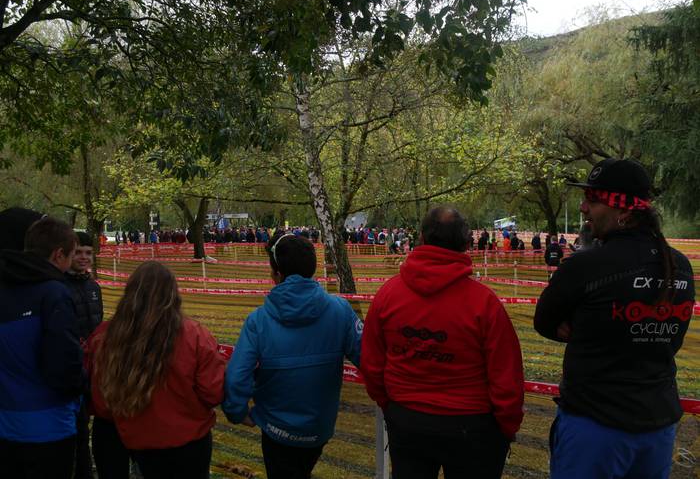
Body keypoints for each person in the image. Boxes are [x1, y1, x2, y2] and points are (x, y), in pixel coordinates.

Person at [534, 158, 695, 479]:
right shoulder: (680, 265)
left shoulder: (585, 266)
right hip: (657, 423)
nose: (583, 208)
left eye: (593, 200)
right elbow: (670, 340)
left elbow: (544, 321)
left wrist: (589, 328)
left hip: (595, 425)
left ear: (623, 211)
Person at [361, 207, 524, 479]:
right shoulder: (484, 303)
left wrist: (390, 404)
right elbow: (506, 375)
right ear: (466, 243)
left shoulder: (387, 295)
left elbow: (371, 363)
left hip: (407, 418)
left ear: (421, 237)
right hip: (470, 426)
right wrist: (507, 426)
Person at [222, 233, 362, 479]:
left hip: (277, 430)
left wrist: (237, 412)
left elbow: (236, 376)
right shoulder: (341, 311)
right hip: (318, 428)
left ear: (276, 274)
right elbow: (370, 357)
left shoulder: (258, 321)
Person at [86, 261, 225, 479]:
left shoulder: (106, 337)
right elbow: (213, 392)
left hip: (138, 440)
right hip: (187, 442)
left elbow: (101, 400)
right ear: (173, 293)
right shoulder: (195, 336)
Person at [0, 213, 84, 479]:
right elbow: (63, 364)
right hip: (50, 426)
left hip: (7, 423)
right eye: (72, 256)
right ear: (58, 255)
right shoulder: (54, 294)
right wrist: (81, 387)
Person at [65, 231, 104, 479]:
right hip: (72, 366)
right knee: (76, 426)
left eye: (88, 253)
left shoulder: (93, 287)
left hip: (94, 367)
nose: (83, 257)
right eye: (78, 252)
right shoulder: (59, 287)